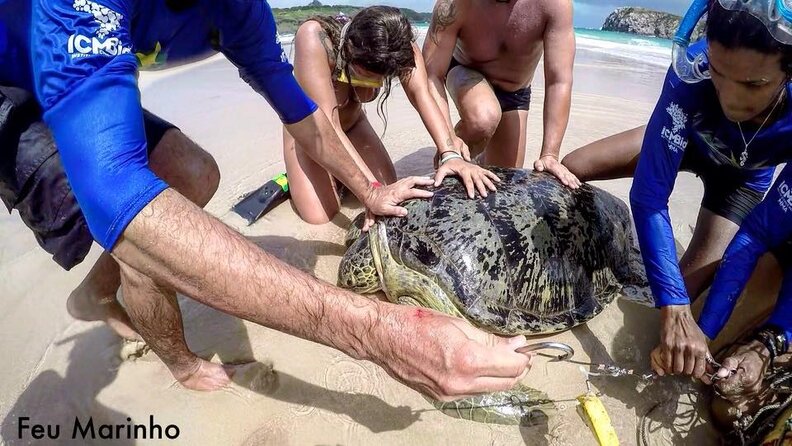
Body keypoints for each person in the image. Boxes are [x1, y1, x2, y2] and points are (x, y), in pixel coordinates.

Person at [0, 0, 532, 398]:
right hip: (13, 90)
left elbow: (300, 113)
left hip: (85, 75)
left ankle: (96, 295)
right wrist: (375, 332)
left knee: (195, 175)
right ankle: (181, 362)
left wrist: (375, 189)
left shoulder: (243, 10)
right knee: (138, 226)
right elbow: (117, 196)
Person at [561, 0, 792, 403]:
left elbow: (758, 231)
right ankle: (658, 134)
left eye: (753, 84)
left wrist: (690, 317)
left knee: (682, 300)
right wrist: (673, 304)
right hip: (686, 140)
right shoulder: (692, 70)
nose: (731, 100)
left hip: (739, 184)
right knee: (572, 167)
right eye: (718, 73)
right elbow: (649, 197)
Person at [286, 7, 500, 224]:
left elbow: (421, 94)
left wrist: (450, 155)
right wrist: (372, 191)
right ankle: (303, 176)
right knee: (322, 217)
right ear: (350, 48)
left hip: (354, 124)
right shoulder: (315, 37)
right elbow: (329, 126)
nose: (375, 85)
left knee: (391, 188)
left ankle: (337, 177)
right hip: (313, 132)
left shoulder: (398, 46)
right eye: (365, 75)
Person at [421, 0, 580, 188]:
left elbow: (558, 81)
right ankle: (450, 162)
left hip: (515, 92)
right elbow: (431, 74)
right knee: (483, 117)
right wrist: (448, 148)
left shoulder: (555, 4)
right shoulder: (454, 4)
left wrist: (550, 154)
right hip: (464, 71)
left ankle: (475, 160)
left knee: (505, 180)